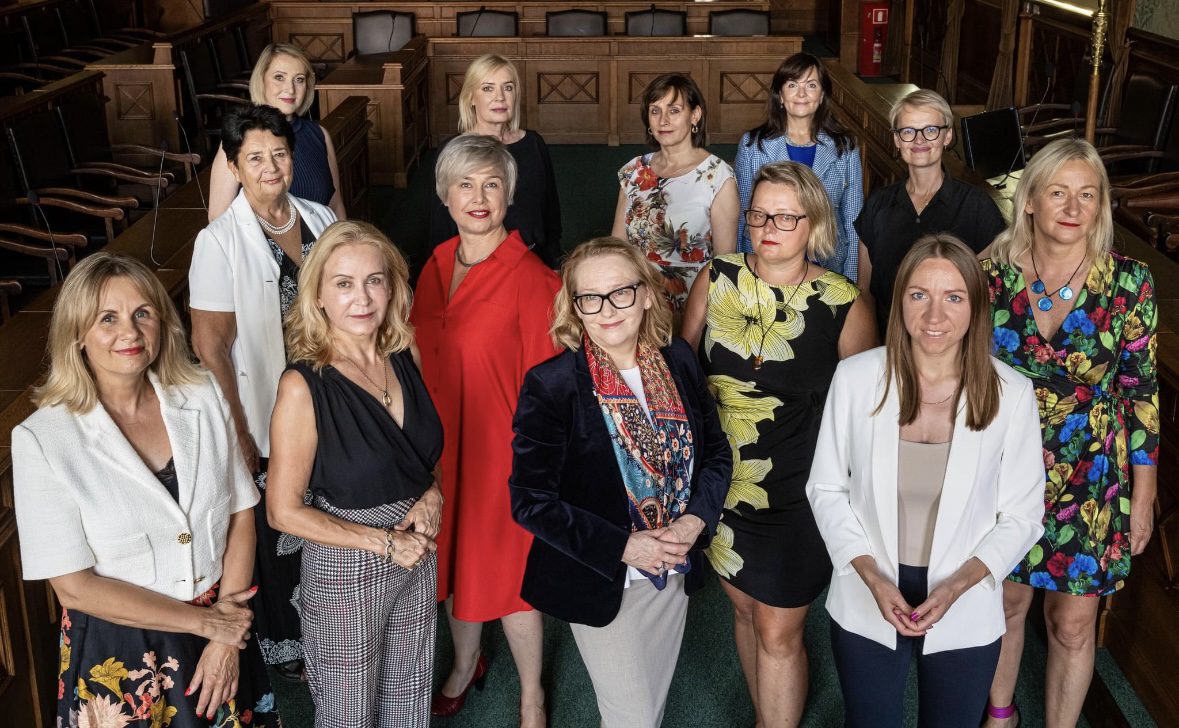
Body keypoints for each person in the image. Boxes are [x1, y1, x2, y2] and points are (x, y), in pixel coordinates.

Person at [13, 252, 278, 725]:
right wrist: (207, 623)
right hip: (122, 650)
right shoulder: (42, 438)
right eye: (107, 318)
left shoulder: (202, 393)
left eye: (142, 313)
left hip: (223, 623)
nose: (130, 332)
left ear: (162, 322)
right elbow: (75, 588)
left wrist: (224, 635)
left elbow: (241, 511)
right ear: (77, 334)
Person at [806, 234, 1046, 727]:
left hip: (966, 594)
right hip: (867, 586)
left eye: (953, 297)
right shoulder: (854, 379)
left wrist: (957, 586)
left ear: (975, 307)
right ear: (900, 302)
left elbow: (1022, 515)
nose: (935, 315)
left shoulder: (1012, 393)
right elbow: (825, 488)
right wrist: (872, 576)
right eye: (919, 295)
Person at [681, 160, 876, 726]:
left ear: (813, 223)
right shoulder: (716, 277)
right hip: (723, 484)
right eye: (760, 214)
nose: (769, 227)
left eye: (786, 217)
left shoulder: (843, 302)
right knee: (745, 610)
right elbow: (680, 370)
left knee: (779, 629)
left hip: (799, 493)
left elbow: (866, 413)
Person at [509, 237, 731, 727]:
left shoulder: (677, 359)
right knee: (632, 716)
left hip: (673, 565)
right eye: (590, 297)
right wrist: (626, 547)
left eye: (621, 293)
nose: (607, 309)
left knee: (649, 707)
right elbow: (530, 502)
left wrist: (693, 522)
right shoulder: (553, 385)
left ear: (646, 294)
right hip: (604, 577)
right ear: (575, 307)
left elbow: (716, 452)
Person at [981, 138, 1158, 728]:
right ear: (1030, 200)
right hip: (1006, 465)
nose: (1073, 207)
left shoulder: (1128, 282)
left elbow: (1141, 394)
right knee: (1005, 601)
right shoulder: (991, 274)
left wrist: (1143, 498)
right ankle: (1000, 716)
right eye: (1058, 192)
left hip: (1093, 473)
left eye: (1087, 194)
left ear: (1101, 204)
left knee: (1073, 623)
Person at [266, 221, 444, 726]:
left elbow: (421, 452)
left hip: (417, 549)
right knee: (348, 712)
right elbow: (282, 512)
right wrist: (383, 542)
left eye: (374, 280)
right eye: (343, 283)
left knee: (409, 695)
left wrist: (434, 491)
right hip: (347, 568)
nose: (362, 298)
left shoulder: (404, 353)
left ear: (392, 287)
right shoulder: (303, 386)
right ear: (318, 296)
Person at [412, 134, 560, 726]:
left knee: (509, 577)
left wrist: (539, 467)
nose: (478, 197)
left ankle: (532, 695)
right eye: (465, 185)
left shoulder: (532, 277)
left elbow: (552, 390)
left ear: (509, 195)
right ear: (445, 195)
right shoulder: (435, 263)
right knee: (451, 563)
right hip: (439, 450)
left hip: (503, 454)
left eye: (492, 184)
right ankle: (464, 663)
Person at [189, 104, 337, 679]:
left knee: (330, 515)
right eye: (254, 158)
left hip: (331, 398)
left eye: (279, 153)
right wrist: (239, 430)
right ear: (233, 166)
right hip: (266, 412)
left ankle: (337, 624)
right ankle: (290, 644)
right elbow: (211, 345)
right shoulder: (218, 241)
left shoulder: (320, 217)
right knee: (281, 534)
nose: (270, 166)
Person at [855, 89, 1005, 335]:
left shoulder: (977, 206)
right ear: (897, 139)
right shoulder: (877, 205)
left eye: (931, 130)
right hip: (886, 341)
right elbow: (866, 292)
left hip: (951, 341)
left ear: (947, 136)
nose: (919, 140)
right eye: (908, 131)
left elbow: (984, 297)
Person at [610, 73, 739, 316]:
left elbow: (723, 264)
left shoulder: (718, 176)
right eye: (655, 111)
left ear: (695, 115)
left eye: (674, 110)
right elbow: (618, 247)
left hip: (693, 304)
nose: (663, 120)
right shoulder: (634, 171)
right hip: (638, 300)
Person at [734, 52, 863, 281]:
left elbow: (853, 219)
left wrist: (851, 280)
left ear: (822, 95)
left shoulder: (845, 146)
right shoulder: (753, 145)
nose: (802, 93)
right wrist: (745, 274)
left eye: (811, 85)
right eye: (792, 85)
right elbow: (744, 216)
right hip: (768, 262)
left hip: (828, 263)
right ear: (780, 96)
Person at [429, 54, 562, 268]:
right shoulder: (453, 150)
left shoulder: (533, 143)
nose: (500, 97)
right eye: (488, 88)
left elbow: (550, 212)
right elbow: (441, 225)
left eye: (508, 88)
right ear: (471, 97)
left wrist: (554, 263)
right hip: (478, 265)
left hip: (533, 259)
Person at [208, 43, 346, 221]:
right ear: (261, 80)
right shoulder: (240, 138)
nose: (290, 89)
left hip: (322, 238)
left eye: (299, 79)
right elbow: (218, 218)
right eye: (279, 77)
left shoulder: (319, 134)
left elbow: (335, 204)